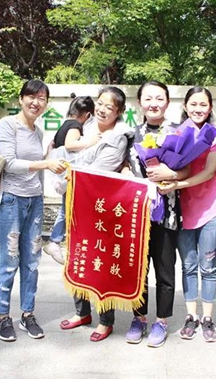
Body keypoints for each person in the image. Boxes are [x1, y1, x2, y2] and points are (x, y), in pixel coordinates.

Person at [0, 79, 67, 342]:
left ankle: (28, 314)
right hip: (10, 201)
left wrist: (49, 161)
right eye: (31, 97)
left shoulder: (37, 131)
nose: (36, 102)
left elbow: (36, 168)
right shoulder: (8, 124)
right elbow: (9, 164)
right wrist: (45, 164)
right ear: (21, 98)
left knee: (32, 262)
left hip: (34, 201)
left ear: (46, 103)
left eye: (42, 98)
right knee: (8, 261)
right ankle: (3, 317)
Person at [58, 86, 132, 342]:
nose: (102, 109)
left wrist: (70, 168)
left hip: (100, 207)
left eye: (109, 107)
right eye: (100, 103)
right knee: (77, 257)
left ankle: (105, 320)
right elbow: (62, 151)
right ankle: (82, 312)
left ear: (119, 112)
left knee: (101, 262)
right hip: (75, 201)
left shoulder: (118, 137)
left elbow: (99, 170)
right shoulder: (86, 127)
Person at [158, 87, 216, 342]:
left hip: (211, 209)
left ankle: (208, 318)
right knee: (188, 266)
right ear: (185, 106)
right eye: (193, 104)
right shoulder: (174, 134)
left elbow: (209, 173)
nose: (198, 109)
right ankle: (191, 316)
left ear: (210, 108)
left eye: (203, 105)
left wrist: (177, 184)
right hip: (182, 211)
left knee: (207, 267)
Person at [122, 80, 186, 348]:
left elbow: (190, 169)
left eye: (159, 98)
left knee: (165, 269)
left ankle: (161, 320)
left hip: (167, 212)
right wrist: (126, 171)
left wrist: (172, 173)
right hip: (137, 215)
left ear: (167, 102)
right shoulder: (130, 135)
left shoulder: (179, 134)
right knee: (138, 270)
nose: (153, 104)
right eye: (148, 98)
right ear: (139, 103)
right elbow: (121, 165)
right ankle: (139, 318)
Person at [43, 94, 99, 265]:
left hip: (63, 176)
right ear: (87, 115)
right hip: (70, 176)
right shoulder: (75, 125)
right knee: (68, 210)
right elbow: (70, 145)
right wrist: (92, 141)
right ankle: (55, 241)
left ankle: (57, 242)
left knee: (67, 208)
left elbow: (52, 146)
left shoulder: (64, 125)